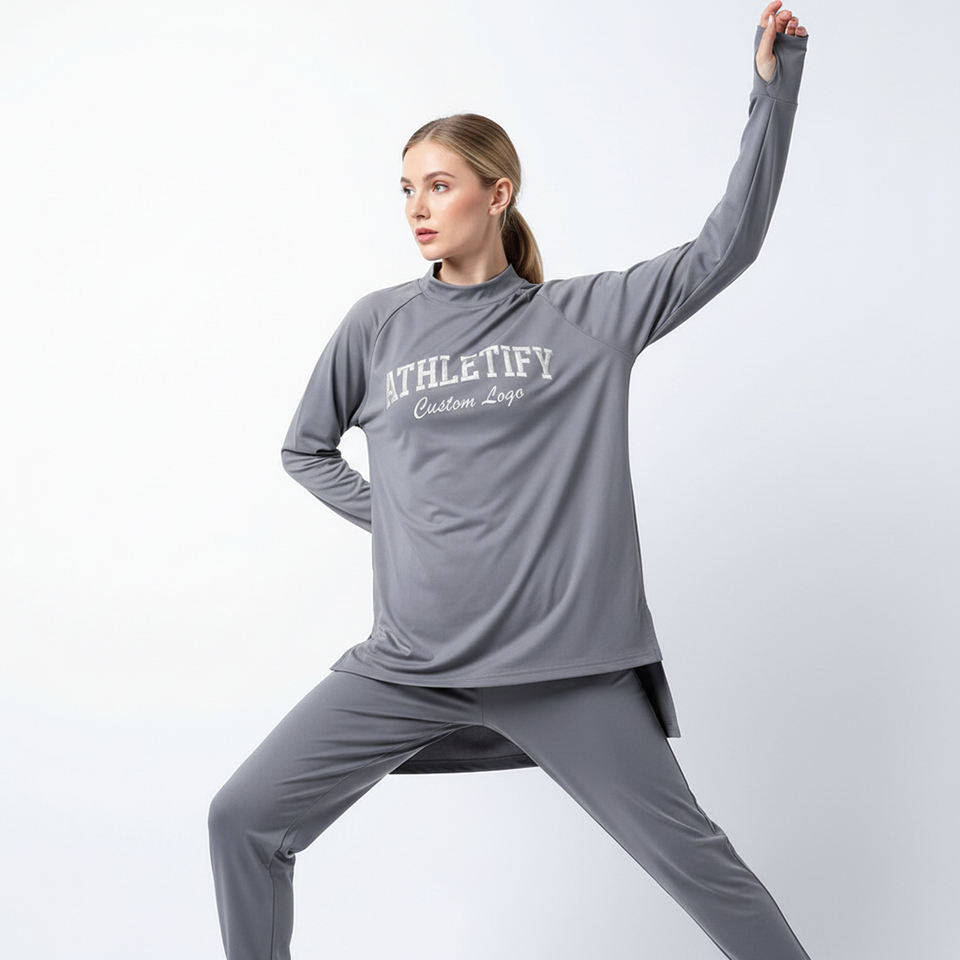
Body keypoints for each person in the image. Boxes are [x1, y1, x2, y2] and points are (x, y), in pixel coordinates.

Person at [208, 4, 812, 958]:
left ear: (498, 194)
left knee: (703, 867)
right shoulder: (376, 326)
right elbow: (306, 449)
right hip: (408, 667)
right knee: (242, 819)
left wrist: (772, 96)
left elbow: (724, 247)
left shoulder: (586, 317)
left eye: (439, 185)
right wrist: (400, 519)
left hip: (562, 670)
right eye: (406, 188)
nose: (417, 206)